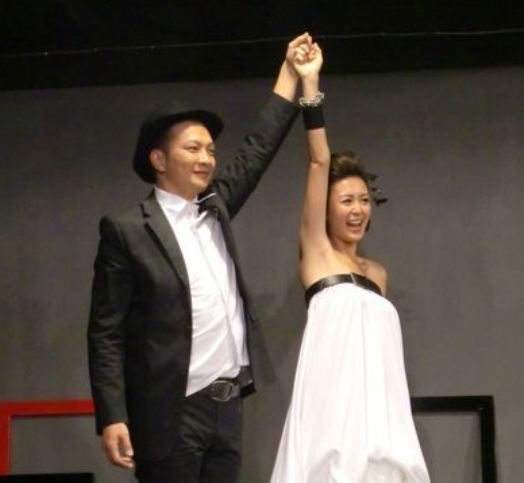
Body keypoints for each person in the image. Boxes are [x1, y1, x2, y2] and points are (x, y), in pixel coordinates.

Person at [87, 33, 314, 483]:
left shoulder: (216, 208)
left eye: (210, 150)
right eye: (193, 148)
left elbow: (256, 150)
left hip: (226, 407)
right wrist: (112, 415)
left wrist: (289, 75)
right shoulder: (127, 230)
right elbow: (106, 332)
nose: (207, 158)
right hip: (170, 411)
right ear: (159, 159)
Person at [269, 42, 431, 482]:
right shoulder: (317, 254)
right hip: (332, 417)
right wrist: (310, 84)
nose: (357, 209)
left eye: (363, 200)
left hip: (380, 420)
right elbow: (319, 160)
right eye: (346, 200)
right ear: (325, 209)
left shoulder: (378, 275)